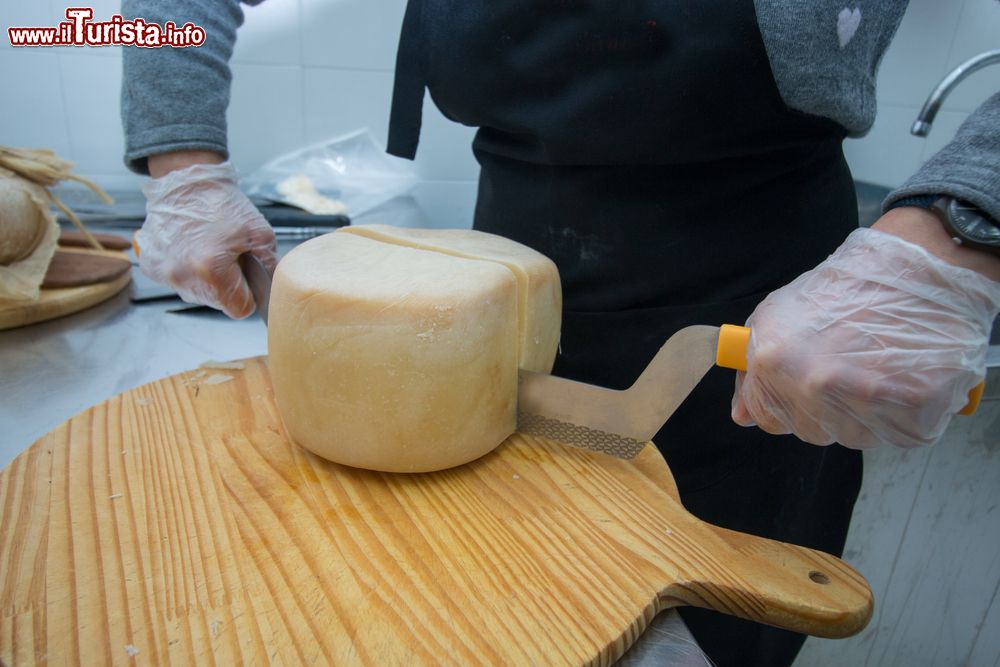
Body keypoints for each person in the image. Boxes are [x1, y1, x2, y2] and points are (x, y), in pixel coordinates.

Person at [120, 1, 1000, 664]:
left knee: (703, 624)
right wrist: (180, 157)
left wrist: (954, 231)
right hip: (509, 249)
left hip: (765, 294)